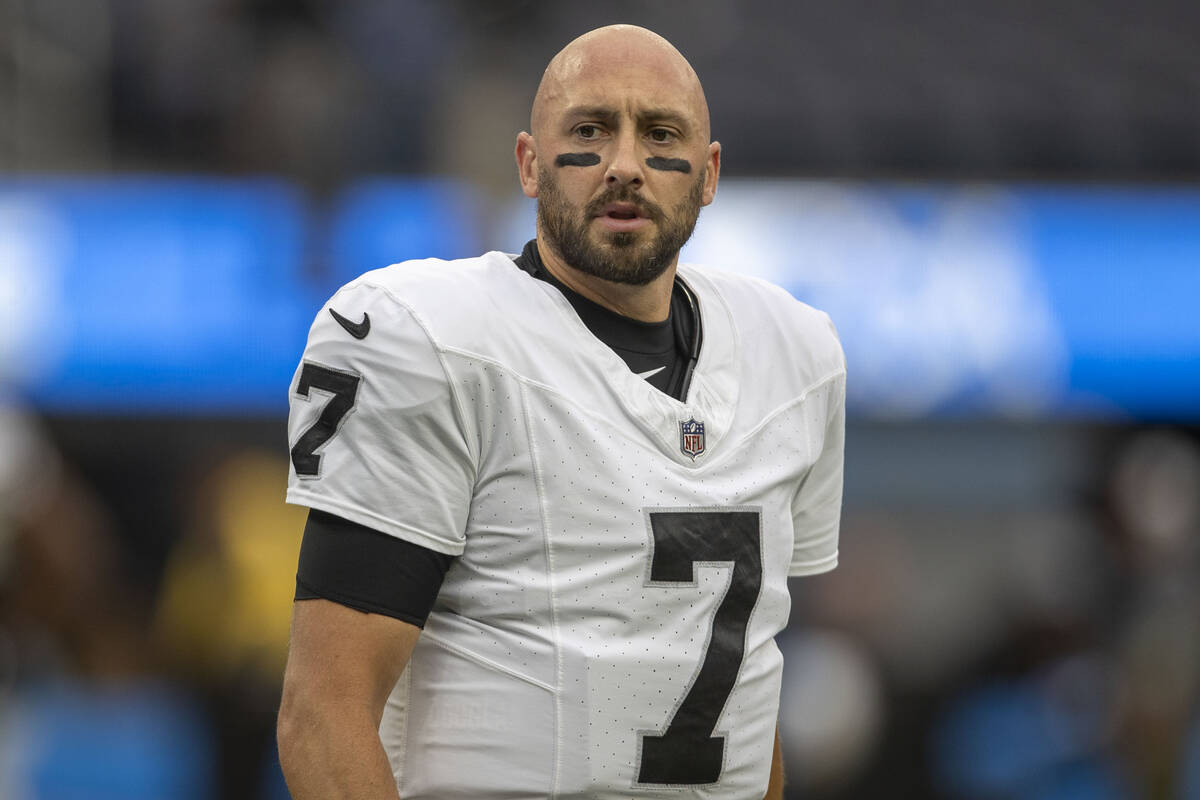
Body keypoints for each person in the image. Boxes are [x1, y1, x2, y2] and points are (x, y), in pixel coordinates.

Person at [277, 24, 845, 800]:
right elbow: (322, 712)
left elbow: (748, 690)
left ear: (708, 175)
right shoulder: (434, 341)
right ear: (528, 164)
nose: (623, 165)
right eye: (589, 130)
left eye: (659, 134)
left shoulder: (795, 355)